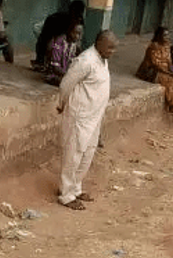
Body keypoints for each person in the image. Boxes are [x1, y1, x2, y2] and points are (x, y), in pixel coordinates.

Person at [57, 30, 118, 210]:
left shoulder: (102, 59)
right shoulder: (85, 61)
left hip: (94, 117)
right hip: (80, 116)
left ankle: (75, 188)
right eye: (110, 47)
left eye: (115, 48)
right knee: (73, 154)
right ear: (99, 43)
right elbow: (66, 84)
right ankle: (66, 195)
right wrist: (62, 104)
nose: (113, 51)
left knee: (87, 153)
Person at [136, 27, 173, 123]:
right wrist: (169, 73)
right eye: (165, 35)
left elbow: (169, 61)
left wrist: (172, 71)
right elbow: (156, 64)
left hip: (164, 70)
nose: (167, 37)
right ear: (159, 36)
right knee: (168, 80)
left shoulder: (167, 46)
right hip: (151, 72)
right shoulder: (153, 47)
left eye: (168, 35)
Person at [34, 0, 86, 71]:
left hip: (56, 34)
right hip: (46, 28)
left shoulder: (79, 20)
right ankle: (41, 62)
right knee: (51, 45)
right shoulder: (59, 19)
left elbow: (78, 43)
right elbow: (44, 37)